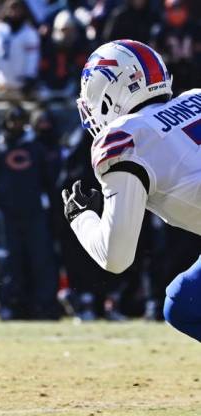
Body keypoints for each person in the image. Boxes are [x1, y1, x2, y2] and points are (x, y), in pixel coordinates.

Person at [64, 39, 201, 342]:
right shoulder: (196, 98)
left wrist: (80, 216)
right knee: (184, 299)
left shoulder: (124, 138)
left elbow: (116, 257)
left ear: (107, 93)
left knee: (183, 306)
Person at [0, 104, 60, 320]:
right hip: (5, 217)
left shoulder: (35, 149)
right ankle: (11, 306)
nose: (16, 125)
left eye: (20, 121)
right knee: (9, 264)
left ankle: (43, 307)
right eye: (13, 120)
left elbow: (50, 184)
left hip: (34, 215)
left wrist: (58, 213)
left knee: (40, 261)